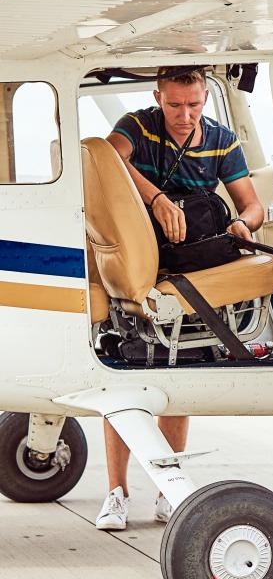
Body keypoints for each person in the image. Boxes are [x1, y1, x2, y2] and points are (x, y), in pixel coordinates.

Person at [95, 66, 264, 530]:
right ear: (158, 97)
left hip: (194, 257)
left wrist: (244, 224)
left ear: (205, 98)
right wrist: (154, 199)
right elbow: (108, 156)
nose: (185, 115)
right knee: (124, 379)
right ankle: (116, 492)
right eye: (174, 105)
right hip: (138, 258)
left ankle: (168, 491)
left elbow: (252, 203)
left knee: (179, 380)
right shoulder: (138, 125)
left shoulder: (222, 139)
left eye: (193, 105)